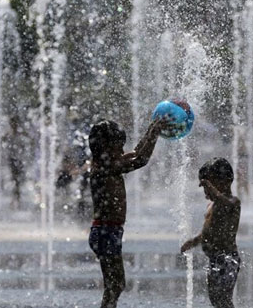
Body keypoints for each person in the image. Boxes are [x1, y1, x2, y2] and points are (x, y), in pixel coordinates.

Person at [88, 118, 168, 308]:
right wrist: (155, 134)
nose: (123, 151)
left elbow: (138, 152)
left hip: (109, 231)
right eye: (119, 147)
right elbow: (141, 160)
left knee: (114, 285)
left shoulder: (108, 162)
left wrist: (151, 129)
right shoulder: (103, 169)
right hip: (105, 233)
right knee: (115, 284)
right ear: (105, 147)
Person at [181, 158, 242, 308]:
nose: (206, 191)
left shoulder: (232, 202)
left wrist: (213, 190)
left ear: (226, 182)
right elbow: (207, 232)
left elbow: (225, 203)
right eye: (205, 187)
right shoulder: (212, 205)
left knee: (223, 299)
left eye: (209, 186)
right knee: (216, 299)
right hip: (214, 259)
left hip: (227, 260)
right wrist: (193, 241)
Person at [4, 114, 27, 209]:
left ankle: (16, 199)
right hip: (12, 160)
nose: (14, 125)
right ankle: (15, 199)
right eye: (12, 123)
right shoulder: (8, 133)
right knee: (15, 180)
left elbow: (27, 143)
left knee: (17, 180)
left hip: (19, 159)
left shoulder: (20, 133)